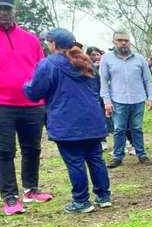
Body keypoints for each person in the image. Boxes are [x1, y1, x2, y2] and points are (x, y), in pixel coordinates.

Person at [24, 28, 112, 213]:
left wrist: (26, 85)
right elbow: (96, 88)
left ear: (53, 44)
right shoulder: (86, 62)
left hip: (66, 122)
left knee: (75, 161)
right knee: (95, 158)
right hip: (92, 119)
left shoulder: (49, 64)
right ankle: (104, 196)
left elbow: (35, 92)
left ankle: (81, 201)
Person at [0, 0, 52, 216]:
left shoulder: (30, 39)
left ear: (14, 11)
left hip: (32, 104)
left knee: (32, 149)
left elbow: (43, 70)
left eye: (6, 9)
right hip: (3, 106)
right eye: (0, 9)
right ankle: (10, 196)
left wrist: (45, 97)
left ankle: (31, 189)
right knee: (5, 151)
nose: (3, 13)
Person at [99, 31, 152, 168]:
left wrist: (151, 97)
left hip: (138, 99)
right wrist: (107, 101)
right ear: (114, 42)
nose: (123, 43)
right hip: (118, 100)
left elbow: (148, 80)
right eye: (119, 40)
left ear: (130, 42)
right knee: (119, 129)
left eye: (126, 40)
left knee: (137, 128)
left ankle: (141, 154)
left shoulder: (139, 59)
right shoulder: (107, 58)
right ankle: (117, 156)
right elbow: (104, 81)